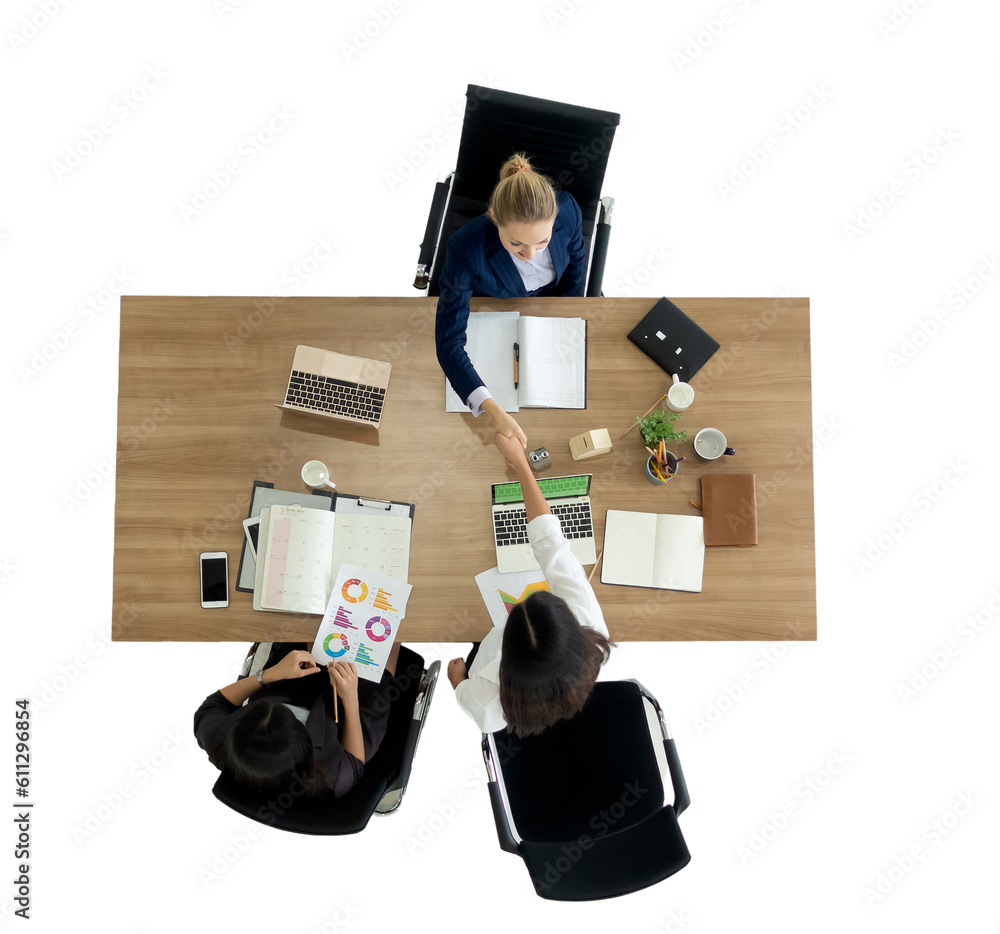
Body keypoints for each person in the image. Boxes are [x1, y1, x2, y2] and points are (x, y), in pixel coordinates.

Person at [447, 433, 612, 735]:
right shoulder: (587, 622)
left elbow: (477, 709)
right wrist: (521, 464)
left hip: (499, 686)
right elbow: (550, 541)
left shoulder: (489, 696)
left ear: (506, 653)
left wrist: (458, 680)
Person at [435, 152, 587, 449]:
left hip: (548, 310)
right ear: (494, 218)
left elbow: (577, 260)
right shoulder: (466, 248)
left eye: (542, 242)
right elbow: (448, 342)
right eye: (516, 244)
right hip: (495, 308)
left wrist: (564, 315)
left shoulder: (567, 209)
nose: (531, 255)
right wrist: (493, 410)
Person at [194, 641, 403, 801]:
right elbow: (354, 761)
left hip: (284, 685)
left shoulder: (219, 739)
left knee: (303, 626)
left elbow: (214, 704)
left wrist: (268, 675)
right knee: (380, 652)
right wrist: (350, 698)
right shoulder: (330, 777)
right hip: (339, 723)